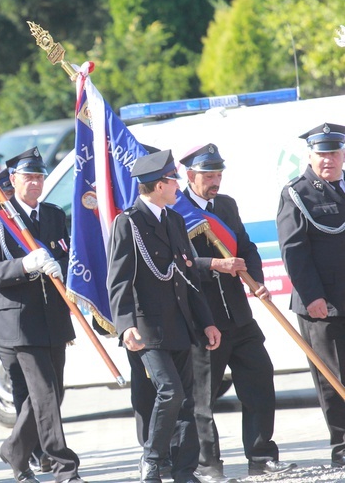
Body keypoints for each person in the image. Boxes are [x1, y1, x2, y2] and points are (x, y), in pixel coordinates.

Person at [180, 144, 295, 480]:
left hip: (240, 316)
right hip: (205, 320)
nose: (215, 181)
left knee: (259, 378)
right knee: (202, 397)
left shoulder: (226, 205)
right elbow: (179, 264)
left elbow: (246, 247)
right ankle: (207, 463)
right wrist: (215, 263)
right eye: (208, 176)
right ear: (190, 176)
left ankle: (261, 455)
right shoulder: (176, 210)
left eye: (218, 174)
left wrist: (256, 281)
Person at [106, 149, 221, 483]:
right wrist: (125, 325)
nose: (177, 186)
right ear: (158, 185)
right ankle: (153, 460)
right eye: (173, 180)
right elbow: (118, 280)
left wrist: (207, 321)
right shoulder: (129, 222)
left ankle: (185, 471)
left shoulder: (173, 220)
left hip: (180, 324)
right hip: (147, 327)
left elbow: (188, 277)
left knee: (186, 399)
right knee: (169, 391)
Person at [0, 147, 84, 483]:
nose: (36, 182)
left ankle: (15, 450)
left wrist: (61, 268)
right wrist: (23, 265)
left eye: (39, 176)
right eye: (29, 177)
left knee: (54, 393)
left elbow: (68, 255)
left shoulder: (52, 215)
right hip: (19, 322)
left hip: (53, 318)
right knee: (46, 394)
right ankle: (64, 466)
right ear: (13, 180)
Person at [277, 122, 345, 469]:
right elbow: (294, 251)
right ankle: (342, 446)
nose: (328, 160)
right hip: (323, 305)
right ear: (310, 155)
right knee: (333, 378)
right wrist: (313, 296)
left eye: (334, 152)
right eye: (322, 154)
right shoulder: (298, 193)